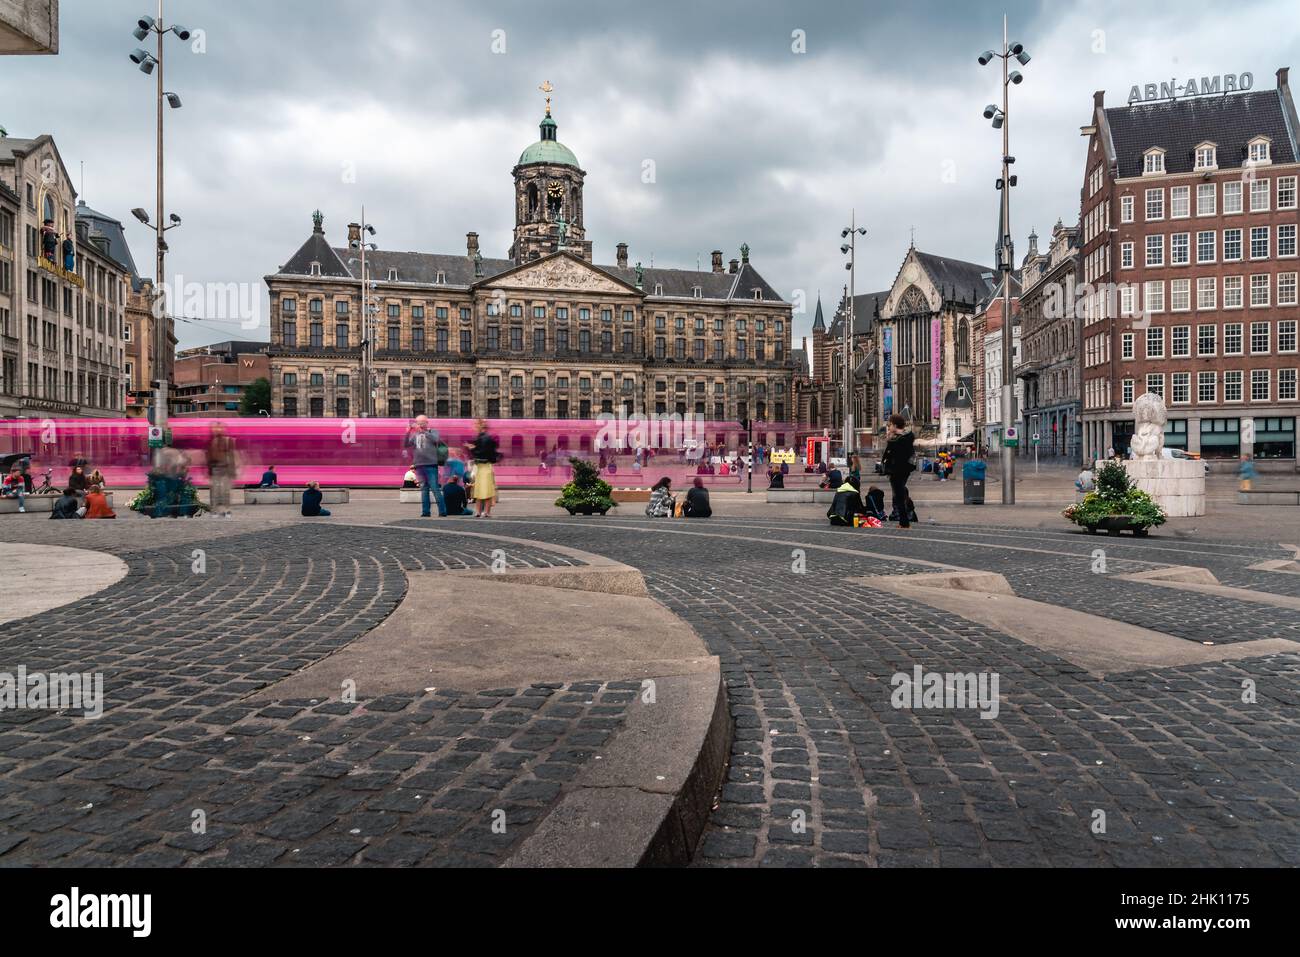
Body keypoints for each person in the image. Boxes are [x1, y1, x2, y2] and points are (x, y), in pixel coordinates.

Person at [404, 414, 447, 518]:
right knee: (424, 489)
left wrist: (423, 431)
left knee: (435, 488)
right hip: (419, 465)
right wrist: (408, 432)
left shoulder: (433, 432)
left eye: (421, 422)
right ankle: (425, 512)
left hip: (431, 464)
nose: (419, 424)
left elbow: (435, 440)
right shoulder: (415, 435)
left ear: (426, 422)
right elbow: (407, 444)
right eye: (418, 422)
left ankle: (442, 511)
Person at [881, 413, 916, 529]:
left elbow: (894, 455)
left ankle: (904, 522)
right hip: (901, 470)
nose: (889, 427)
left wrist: (890, 441)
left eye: (890, 425)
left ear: (895, 425)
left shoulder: (900, 440)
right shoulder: (905, 438)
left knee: (899, 496)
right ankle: (904, 520)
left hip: (898, 470)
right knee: (899, 494)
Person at [468, 419, 499, 518]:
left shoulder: (483, 438)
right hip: (484, 466)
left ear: (480, 426)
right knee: (485, 489)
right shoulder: (486, 437)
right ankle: (485, 511)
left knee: (481, 490)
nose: (474, 427)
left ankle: (480, 511)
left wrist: (472, 449)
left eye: (475, 425)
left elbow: (481, 452)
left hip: (483, 466)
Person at [206, 422, 237, 518]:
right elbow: (209, 457)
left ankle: (226, 510)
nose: (217, 430)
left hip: (225, 469)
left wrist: (232, 470)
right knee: (215, 492)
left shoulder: (228, 441)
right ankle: (215, 510)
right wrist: (209, 470)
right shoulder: (211, 441)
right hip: (215, 469)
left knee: (225, 491)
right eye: (215, 428)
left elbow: (232, 456)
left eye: (219, 428)